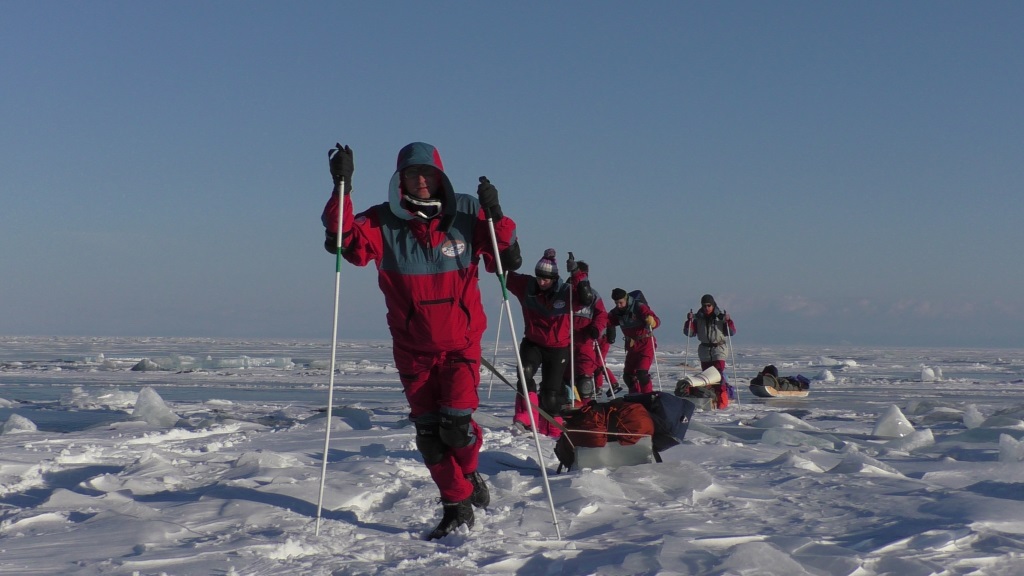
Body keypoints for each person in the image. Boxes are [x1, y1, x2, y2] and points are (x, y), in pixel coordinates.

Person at [319, 142, 522, 540]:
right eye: (413, 174)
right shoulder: (381, 221)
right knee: (429, 435)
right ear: (401, 180)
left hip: (461, 344)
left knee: (457, 428)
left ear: (440, 176)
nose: (422, 180)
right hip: (412, 348)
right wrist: (341, 187)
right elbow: (342, 239)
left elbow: (505, 255)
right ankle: (456, 504)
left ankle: (467, 471)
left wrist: (496, 214)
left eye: (427, 173)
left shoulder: (465, 211)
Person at [505, 249, 593, 437]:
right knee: (525, 372)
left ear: (554, 278)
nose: (542, 282)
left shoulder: (565, 293)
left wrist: (577, 273)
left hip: (558, 347)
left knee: (550, 395)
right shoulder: (527, 286)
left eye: (546, 279)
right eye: (539, 278)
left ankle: (553, 430)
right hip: (533, 343)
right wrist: (508, 253)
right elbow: (504, 273)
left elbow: (586, 299)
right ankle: (526, 418)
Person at [564, 261, 608, 403]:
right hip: (564, 341)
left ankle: (584, 410)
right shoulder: (564, 293)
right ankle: (563, 409)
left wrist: (596, 328)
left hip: (585, 341)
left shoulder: (593, 296)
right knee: (563, 379)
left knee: (585, 382)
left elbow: (601, 315)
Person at [683, 294, 737, 409]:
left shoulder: (720, 317)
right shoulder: (697, 318)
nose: (707, 308)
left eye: (709, 305)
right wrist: (689, 321)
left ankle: (722, 401)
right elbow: (690, 333)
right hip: (704, 350)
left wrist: (728, 321)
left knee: (718, 374)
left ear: (713, 305)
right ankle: (710, 398)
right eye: (704, 305)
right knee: (707, 376)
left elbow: (731, 332)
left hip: (719, 348)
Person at [606, 288, 661, 394]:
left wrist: (652, 322)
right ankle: (635, 396)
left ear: (626, 299)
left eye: (621, 302)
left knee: (642, 374)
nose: (619, 305)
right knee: (628, 376)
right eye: (616, 303)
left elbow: (657, 321)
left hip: (645, 343)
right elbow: (607, 321)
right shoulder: (616, 312)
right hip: (631, 345)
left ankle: (647, 397)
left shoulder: (639, 307)